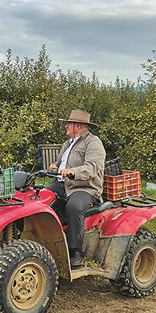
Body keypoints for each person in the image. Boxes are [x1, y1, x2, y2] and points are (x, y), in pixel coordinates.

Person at [48, 109, 106, 268]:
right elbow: (60, 164)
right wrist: (55, 166)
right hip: (63, 185)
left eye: (69, 123)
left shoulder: (93, 142)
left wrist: (74, 171)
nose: (66, 126)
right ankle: (49, 241)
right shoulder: (68, 143)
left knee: (74, 207)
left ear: (79, 125)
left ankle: (76, 252)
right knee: (41, 198)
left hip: (85, 187)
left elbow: (93, 167)